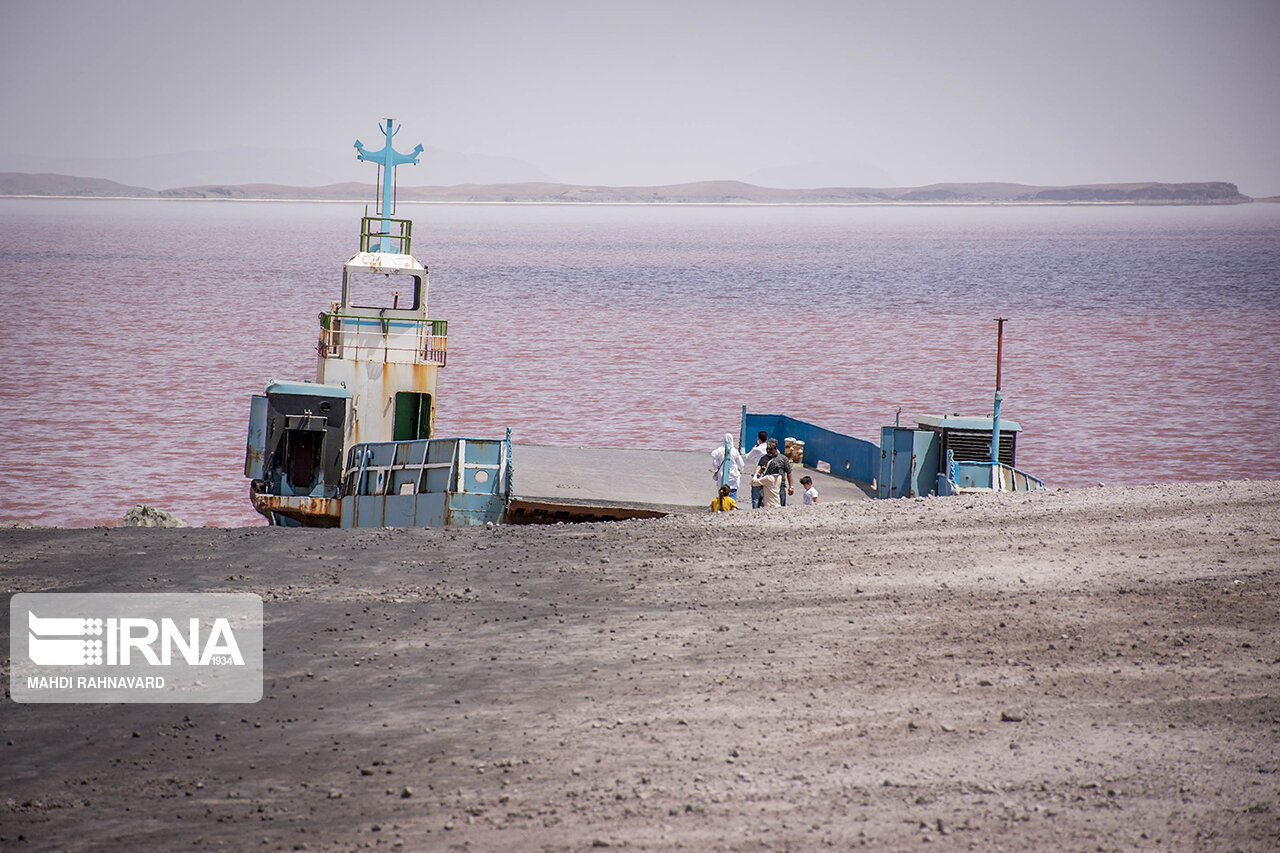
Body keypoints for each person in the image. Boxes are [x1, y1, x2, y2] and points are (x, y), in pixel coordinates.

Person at [753, 438, 793, 508]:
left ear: (776, 448)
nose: (768, 451)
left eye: (771, 449)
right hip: (766, 486)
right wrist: (757, 473)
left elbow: (789, 473)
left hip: (780, 486)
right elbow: (759, 466)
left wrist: (791, 486)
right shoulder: (764, 458)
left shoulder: (783, 459)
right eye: (767, 449)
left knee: (780, 506)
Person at [709, 432, 746, 501]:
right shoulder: (735, 451)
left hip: (721, 475)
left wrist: (716, 469)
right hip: (733, 475)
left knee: (722, 492)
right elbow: (741, 464)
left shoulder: (719, 451)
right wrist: (740, 470)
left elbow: (715, 464)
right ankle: (732, 507)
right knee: (732, 493)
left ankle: (722, 506)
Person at [742, 431, 769, 508]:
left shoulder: (757, 449)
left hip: (757, 475)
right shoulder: (770, 448)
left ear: (758, 439)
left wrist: (752, 449)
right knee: (765, 497)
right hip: (767, 475)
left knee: (755, 497)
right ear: (767, 439)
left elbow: (747, 458)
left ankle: (754, 511)